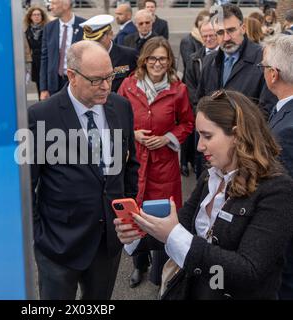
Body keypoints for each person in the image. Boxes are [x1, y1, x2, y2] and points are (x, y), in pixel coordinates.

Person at [115, 89, 293, 299]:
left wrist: (174, 236)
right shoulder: (211, 176)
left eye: (207, 136)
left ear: (237, 135)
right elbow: (182, 224)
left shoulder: (277, 190)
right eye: (199, 135)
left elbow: (249, 272)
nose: (199, 146)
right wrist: (138, 235)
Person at [28, 40, 139, 300]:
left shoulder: (121, 107)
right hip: (58, 245)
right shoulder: (41, 116)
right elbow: (25, 185)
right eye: (96, 80)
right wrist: (39, 235)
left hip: (107, 243)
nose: (106, 86)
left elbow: (130, 165)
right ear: (72, 76)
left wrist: (127, 215)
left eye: (110, 77)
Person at [118, 37, 194, 289]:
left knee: (163, 219)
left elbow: (187, 123)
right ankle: (139, 265)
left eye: (162, 58)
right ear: (144, 60)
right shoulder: (129, 86)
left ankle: (160, 273)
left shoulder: (178, 89)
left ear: (169, 61)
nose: (157, 63)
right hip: (135, 163)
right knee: (135, 216)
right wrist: (133, 133)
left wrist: (168, 138)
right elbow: (116, 117)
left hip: (164, 166)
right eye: (152, 58)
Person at [196, 4, 277, 127]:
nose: (226, 38)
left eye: (231, 30)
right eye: (220, 32)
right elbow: (200, 103)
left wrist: (236, 132)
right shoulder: (208, 62)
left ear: (243, 28)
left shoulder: (265, 60)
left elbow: (268, 109)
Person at [261, 34, 293, 299]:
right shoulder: (283, 111)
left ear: (274, 74)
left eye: (263, 67)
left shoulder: (286, 130)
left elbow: (283, 195)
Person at [184, 19, 219, 179]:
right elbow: (191, 88)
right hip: (202, 115)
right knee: (202, 157)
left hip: (220, 116)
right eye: (205, 36)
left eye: (212, 35)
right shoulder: (194, 59)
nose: (208, 39)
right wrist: (201, 113)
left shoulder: (223, 57)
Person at [179, 9, 210, 177]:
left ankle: (193, 161)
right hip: (192, 92)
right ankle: (184, 161)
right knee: (189, 130)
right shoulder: (189, 41)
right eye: (202, 25)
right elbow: (189, 61)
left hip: (204, 97)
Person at [39, 0, 85, 100]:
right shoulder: (49, 28)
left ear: (66, 4)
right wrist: (43, 88)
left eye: (54, 3)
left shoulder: (84, 25)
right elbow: (44, 58)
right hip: (55, 83)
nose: (50, 7)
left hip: (77, 82)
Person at [80, 14, 139, 92]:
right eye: (90, 41)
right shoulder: (83, 58)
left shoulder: (129, 56)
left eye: (98, 40)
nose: (94, 44)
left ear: (110, 34)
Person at [24, 6, 49, 99]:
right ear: (30, 17)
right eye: (34, 15)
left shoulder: (48, 28)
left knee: (49, 84)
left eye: (38, 14)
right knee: (39, 85)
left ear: (42, 16)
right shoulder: (27, 31)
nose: (36, 17)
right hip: (35, 61)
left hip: (47, 59)